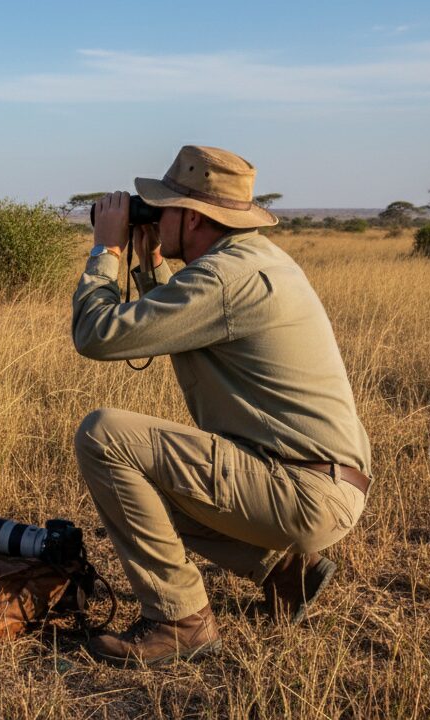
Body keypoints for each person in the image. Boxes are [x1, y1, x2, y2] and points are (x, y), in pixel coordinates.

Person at [71, 145, 372, 667]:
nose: (153, 216)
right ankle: (284, 571)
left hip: (302, 490)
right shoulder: (251, 261)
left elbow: (97, 336)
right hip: (321, 482)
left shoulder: (223, 279)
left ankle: (179, 621)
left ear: (191, 217)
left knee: (104, 436)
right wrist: (152, 263)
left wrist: (107, 252)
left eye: (160, 207)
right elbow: (184, 324)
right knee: (145, 481)